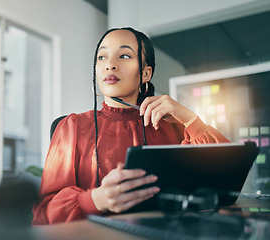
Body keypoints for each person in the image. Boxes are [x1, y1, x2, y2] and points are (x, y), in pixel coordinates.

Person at [32, 27, 229, 225]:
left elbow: (225, 179)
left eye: (124, 55)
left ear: (145, 73)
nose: (110, 65)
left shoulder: (174, 126)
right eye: (102, 57)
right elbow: (44, 213)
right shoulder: (71, 127)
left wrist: (190, 119)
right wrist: (94, 200)